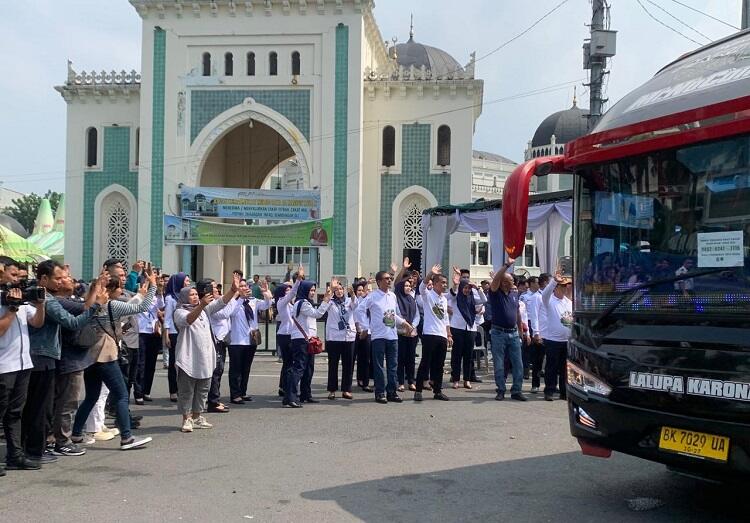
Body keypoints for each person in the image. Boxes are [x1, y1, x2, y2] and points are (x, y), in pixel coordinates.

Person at [25, 260, 103, 465]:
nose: (61, 282)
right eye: (57, 278)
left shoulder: (45, 297)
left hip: (45, 355)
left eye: (63, 278)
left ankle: (38, 446)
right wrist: (95, 305)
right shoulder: (47, 301)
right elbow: (72, 322)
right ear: (43, 279)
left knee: (43, 405)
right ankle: (37, 448)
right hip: (41, 355)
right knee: (41, 406)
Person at [70, 270, 157, 450]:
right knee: (121, 395)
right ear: (109, 290)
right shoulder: (112, 306)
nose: (122, 290)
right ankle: (127, 438)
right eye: (119, 287)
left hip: (90, 355)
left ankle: (76, 433)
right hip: (106, 355)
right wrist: (153, 286)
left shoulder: (89, 304)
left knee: (91, 396)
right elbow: (141, 308)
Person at [173, 277, 239, 432]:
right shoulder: (179, 311)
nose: (195, 297)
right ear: (184, 297)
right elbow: (188, 320)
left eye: (196, 294)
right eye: (191, 295)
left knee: (203, 389)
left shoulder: (204, 309)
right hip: (188, 357)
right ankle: (186, 419)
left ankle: (197, 417)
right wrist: (201, 305)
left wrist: (233, 290)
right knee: (187, 390)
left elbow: (220, 302)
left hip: (205, 357)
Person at [0, 260, 46, 473]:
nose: (17, 279)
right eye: (13, 274)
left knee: (15, 412)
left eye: (19, 275)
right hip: (3, 366)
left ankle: (15, 455)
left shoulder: (21, 299)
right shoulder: (6, 301)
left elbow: (36, 322)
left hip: (23, 364)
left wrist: (40, 304)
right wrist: (11, 309)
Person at [355, 271, 412, 404]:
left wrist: (404, 323)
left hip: (392, 336)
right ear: (379, 281)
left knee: (393, 365)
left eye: (390, 279)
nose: (389, 281)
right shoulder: (372, 296)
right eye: (386, 279)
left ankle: (392, 391)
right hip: (379, 336)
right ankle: (380, 392)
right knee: (379, 366)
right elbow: (359, 310)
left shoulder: (392, 296)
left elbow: (393, 314)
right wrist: (365, 327)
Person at [286, 278, 332, 407]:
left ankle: (305, 395)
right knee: (299, 369)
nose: (312, 293)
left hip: (306, 339)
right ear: (305, 290)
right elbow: (317, 314)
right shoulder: (303, 303)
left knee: (308, 369)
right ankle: (290, 398)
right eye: (311, 290)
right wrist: (326, 300)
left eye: (314, 290)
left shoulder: (303, 302)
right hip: (301, 340)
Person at [487, 258, 527, 402]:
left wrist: (521, 332)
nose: (509, 283)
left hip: (514, 333)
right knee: (499, 364)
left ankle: (516, 390)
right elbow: (496, 279)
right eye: (506, 281)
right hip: (498, 333)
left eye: (510, 281)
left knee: (518, 364)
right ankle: (501, 390)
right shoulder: (495, 293)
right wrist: (506, 265)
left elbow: (517, 314)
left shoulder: (514, 294)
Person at [227, 278, 272, 404]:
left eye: (246, 286)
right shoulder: (233, 301)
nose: (244, 288)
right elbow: (232, 313)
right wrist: (240, 298)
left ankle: (243, 392)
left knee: (246, 368)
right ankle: (235, 394)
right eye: (241, 286)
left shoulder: (253, 301)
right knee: (236, 369)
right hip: (236, 340)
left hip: (250, 339)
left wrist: (265, 292)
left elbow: (267, 305)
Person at [414, 265, 451, 402]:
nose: (444, 285)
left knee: (439, 365)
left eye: (445, 283)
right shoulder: (428, 296)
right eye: (442, 282)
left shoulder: (444, 299)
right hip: (430, 334)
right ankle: (418, 390)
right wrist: (431, 273)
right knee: (425, 363)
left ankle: (438, 390)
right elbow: (421, 288)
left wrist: (449, 334)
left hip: (441, 335)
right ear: (435, 284)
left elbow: (446, 318)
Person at [448, 273, 486, 390]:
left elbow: (484, 300)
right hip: (457, 328)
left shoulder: (472, 297)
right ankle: (455, 380)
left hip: (471, 328)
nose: (466, 290)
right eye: (465, 288)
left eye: (468, 288)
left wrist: (477, 288)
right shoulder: (456, 297)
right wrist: (455, 285)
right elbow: (450, 295)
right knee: (456, 355)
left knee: (469, 356)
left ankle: (467, 379)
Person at [541, 273, 573, 401]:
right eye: (562, 286)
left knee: (565, 369)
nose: (564, 288)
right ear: (556, 287)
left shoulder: (568, 302)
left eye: (565, 286)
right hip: (553, 340)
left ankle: (564, 392)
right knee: (551, 367)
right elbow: (545, 293)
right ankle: (549, 390)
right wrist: (554, 281)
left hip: (566, 340)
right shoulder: (549, 300)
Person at [325, 279, 358, 400]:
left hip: (348, 336)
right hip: (334, 337)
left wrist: (353, 294)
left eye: (341, 289)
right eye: (337, 289)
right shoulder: (331, 302)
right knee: (333, 364)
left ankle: (346, 389)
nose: (339, 291)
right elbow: (324, 305)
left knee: (348, 364)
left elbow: (356, 305)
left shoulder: (349, 301)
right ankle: (332, 390)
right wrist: (331, 290)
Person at [135, 279, 165, 405]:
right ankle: (138, 392)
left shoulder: (156, 297)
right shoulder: (137, 298)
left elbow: (161, 306)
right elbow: (143, 306)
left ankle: (146, 391)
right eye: (146, 285)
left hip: (153, 332)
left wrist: (159, 290)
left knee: (151, 364)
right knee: (141, 364)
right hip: (142, 332)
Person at [207, 282, 234, 413]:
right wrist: (234, 296)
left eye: (217, 288)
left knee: (219, 370)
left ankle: (214, 399)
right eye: (213, 288)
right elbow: (225, 314)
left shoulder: (218, 302)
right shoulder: (210, 305)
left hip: (221, 340)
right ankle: (213, 401)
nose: (217, 290)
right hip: (215, 339)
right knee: (216, 371)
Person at [163, 273, 190, 402]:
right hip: (174, 332)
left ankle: (183, 389)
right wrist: (166, 335)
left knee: (184, 362)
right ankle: (173, 390)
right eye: (186, 281)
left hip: (184, 330)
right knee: (174, 362)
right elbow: (167, 317)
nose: (188, 283)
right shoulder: (170, 298)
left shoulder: (186, 297)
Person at [394, 277, 420, 392]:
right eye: (406, 286)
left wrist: (412, 326)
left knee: (411, 358)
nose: (408, 288)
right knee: (401, 358)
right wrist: (405, 325)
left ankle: (411, 381)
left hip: (412, 333)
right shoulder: (396, 299)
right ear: (401, 287)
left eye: (409, 286)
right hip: (400, 332)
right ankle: (400, 382)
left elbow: (417, 315)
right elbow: (395, 314)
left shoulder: (412, 299)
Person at [528, 273, 550, 394]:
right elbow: (534, 316)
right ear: (545, 283)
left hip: (551, 334)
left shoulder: (551, 296)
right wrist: (536, 332)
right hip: (540, 334)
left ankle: (550, 385)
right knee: (538, 361)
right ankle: (535, 385)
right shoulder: (536, 297)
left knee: (551, 362)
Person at [352, 281, 373, 393]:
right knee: (352, 358)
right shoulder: (354, 302)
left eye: (363, 290)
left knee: (365, 359)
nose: (361, 292)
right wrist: (358, 328)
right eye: (358, 290)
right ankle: (349, 383)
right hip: (355, 332)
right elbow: (354, 316)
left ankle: (365, 382)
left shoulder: (368, 301)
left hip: (367, 332)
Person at [273, 282, 293, 398]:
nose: (289, 292)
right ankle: (285, 387)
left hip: (289, 334)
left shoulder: (290, 304)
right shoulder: (282, 302)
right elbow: (292, 294)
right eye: (287, 290)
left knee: (288, 363)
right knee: (288, 363)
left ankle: (283, 386)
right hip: (285, 335)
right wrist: (299, 280)